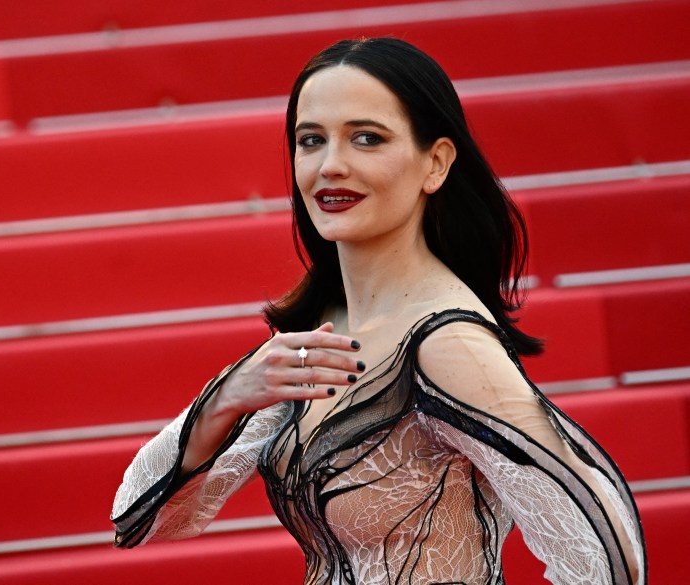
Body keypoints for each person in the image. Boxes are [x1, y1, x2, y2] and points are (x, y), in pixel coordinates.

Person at [110, 37, 646, 584]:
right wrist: (228, 395)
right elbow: (141, 520)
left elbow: (609, 553)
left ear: (435, 163)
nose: (331, 165)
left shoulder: (446, 343)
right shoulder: (326, 329)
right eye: (310, 140)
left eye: (367, 138)